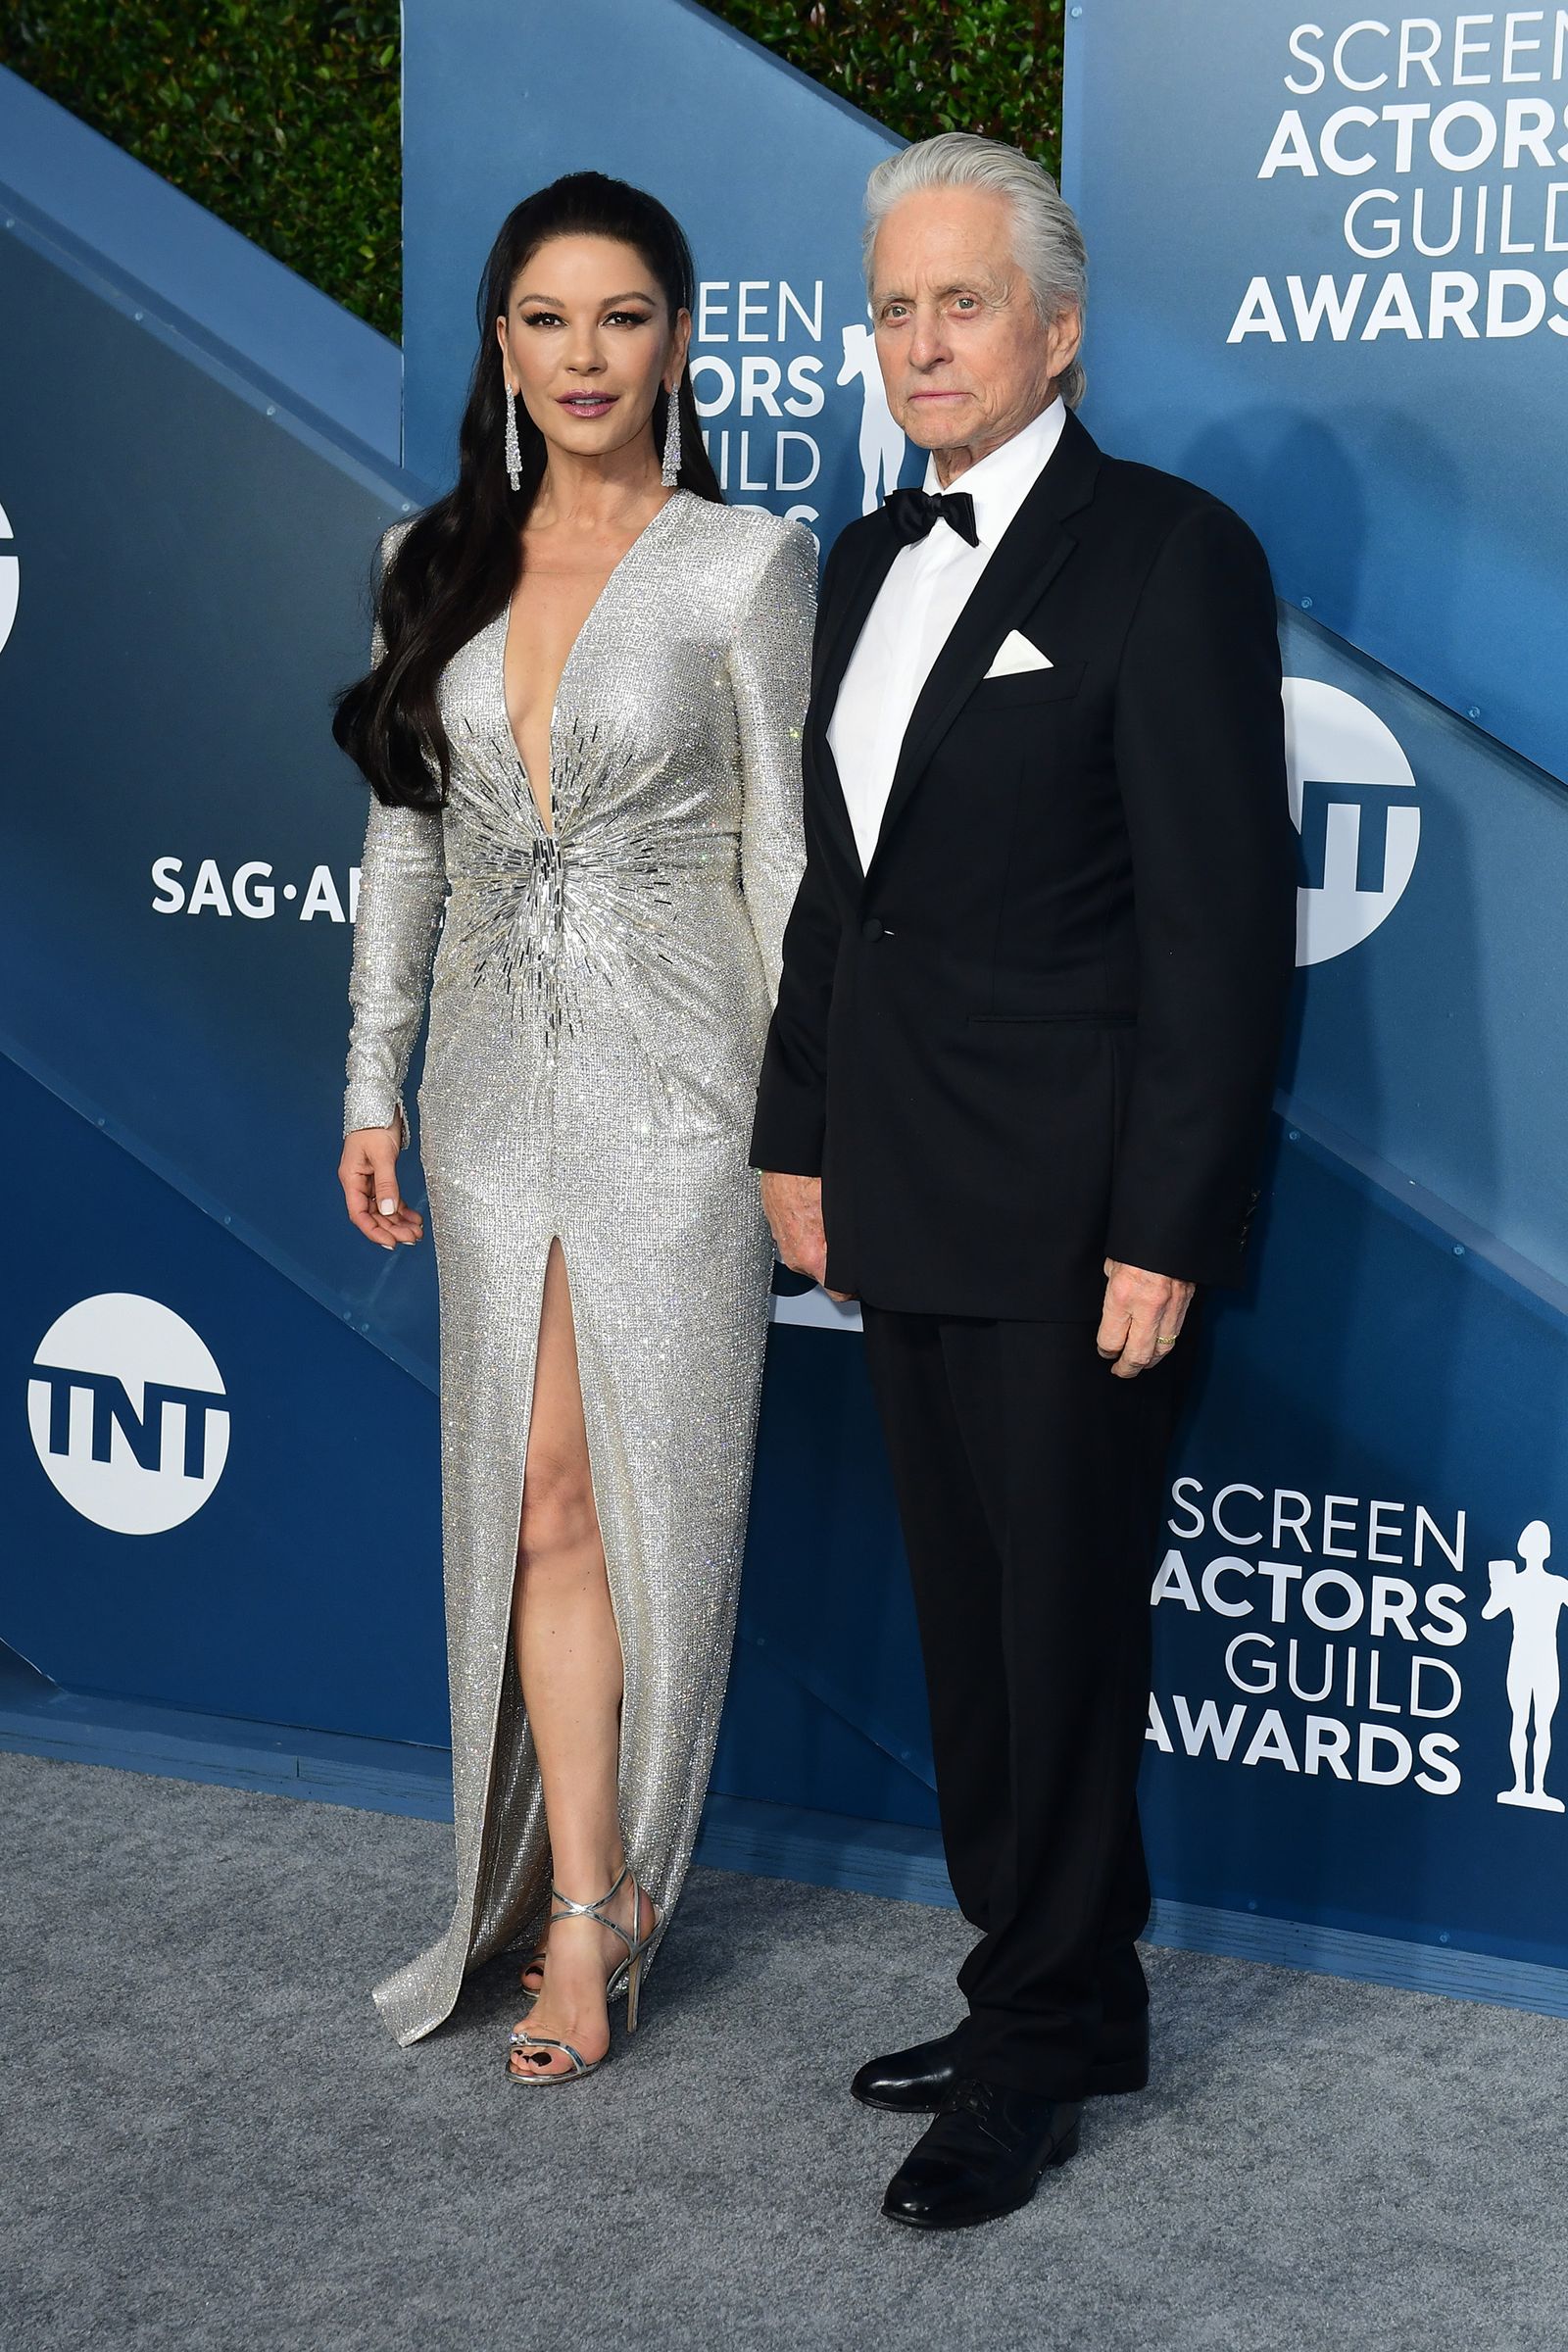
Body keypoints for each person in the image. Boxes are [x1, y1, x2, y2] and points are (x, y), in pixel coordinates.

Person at [753, 133, 1297, 2228]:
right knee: (975, 1633)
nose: (918, 340)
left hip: (1076, 1219)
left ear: (1054, 329)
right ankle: (1056, 1987)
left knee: (1057, 1633)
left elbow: (1215, 930)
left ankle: (1040, 2035)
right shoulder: (868, 562)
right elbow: (837, 900)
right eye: (892, 307)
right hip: (894, 1190)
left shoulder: (1167, 553)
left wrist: (1165, 1223)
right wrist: (793, 1133)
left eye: (958, 302)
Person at [334, 172, 811, 2081]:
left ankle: (601, 1914)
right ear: (501, 346)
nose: (583, 355)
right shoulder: (422, 557)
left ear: (676, 340)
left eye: (621, 317)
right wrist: (371, 1074)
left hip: (683, 1102)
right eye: (546, 318)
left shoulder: (741, 567)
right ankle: (558, 1889)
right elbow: (402, 835)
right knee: (530, 1504)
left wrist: (808, 1128)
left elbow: (786, 867)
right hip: (488, 1104)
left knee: (638, 1503)